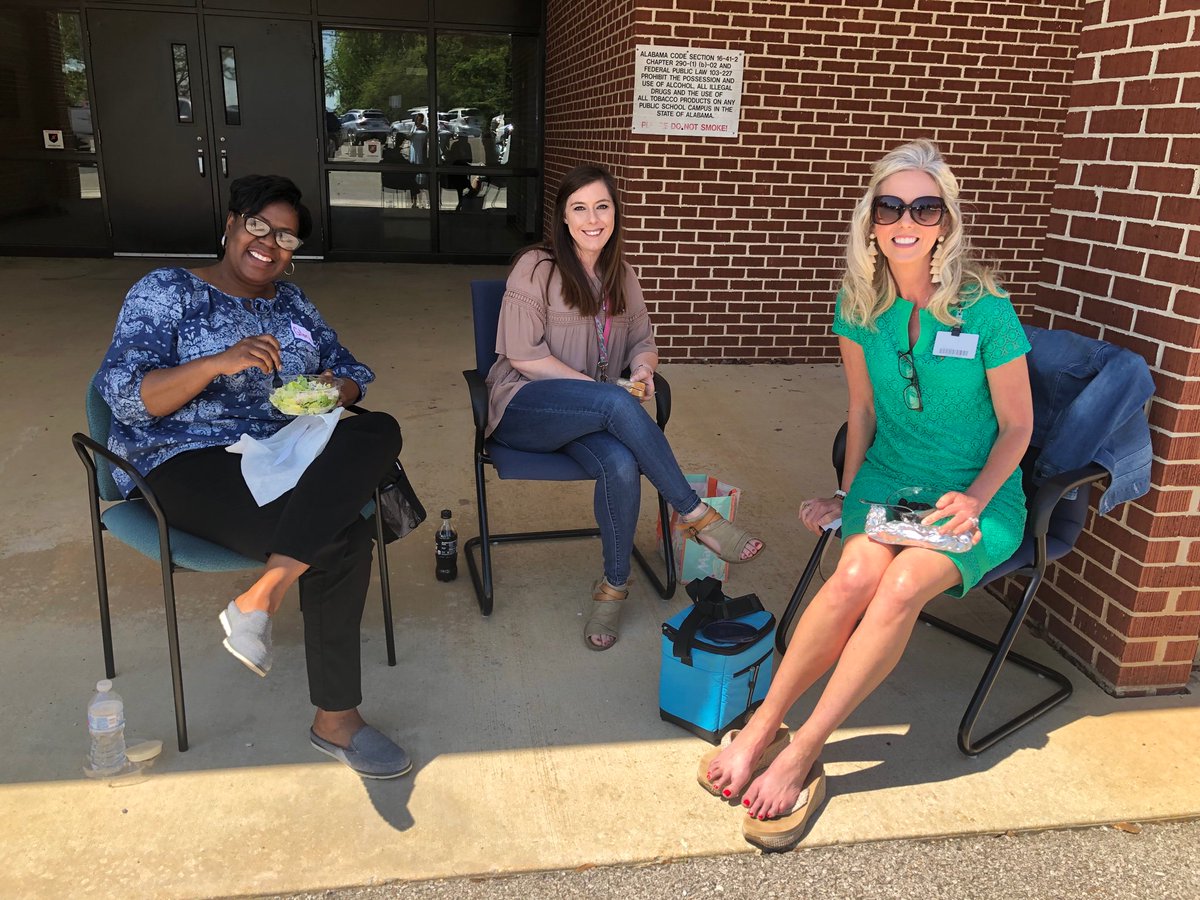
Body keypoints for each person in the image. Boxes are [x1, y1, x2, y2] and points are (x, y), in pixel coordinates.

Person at [700, 140, 1033, 849]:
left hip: (973, 495)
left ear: (944, 220)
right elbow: (862, 411)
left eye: (923, 206)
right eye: (890, 206)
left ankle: (803, 748)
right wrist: (844, 490)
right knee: (853, 572)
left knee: (902, 582)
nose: (905, 220)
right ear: (872, 220)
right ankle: (762, 724)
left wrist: (975, 498)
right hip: (888, 479)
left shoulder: (986, 309)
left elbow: (1018, 426)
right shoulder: (859, 304)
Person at [94, 174, 411, 780]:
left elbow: (349, 369)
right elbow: (129, 398)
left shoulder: (292, 304)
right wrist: (222, 360)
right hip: (182, 458)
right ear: (232, 224)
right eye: (260, 225)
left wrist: (332, 388)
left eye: (287, 237)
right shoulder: (168, 291)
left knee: (377, 428)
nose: (271, 244)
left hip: (279, 448)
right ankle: (336, 720)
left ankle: (261, 595)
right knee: (338, 538)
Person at [485, 164, 764, 651]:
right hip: (526, 409)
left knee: (620, 462)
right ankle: (697, 516)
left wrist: (640, 370)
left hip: (594, 415)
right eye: (580, 208)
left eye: (602, 206)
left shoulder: (621, 273)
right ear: (564, 218)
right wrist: (605, 392)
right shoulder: (536, 267)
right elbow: (525, 357)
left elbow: (643, 340)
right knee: (613, 403)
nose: (592, 218)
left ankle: (612, 587)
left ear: (615, 213)